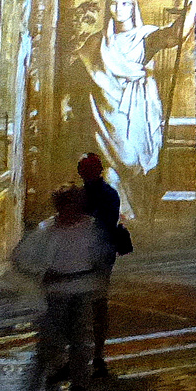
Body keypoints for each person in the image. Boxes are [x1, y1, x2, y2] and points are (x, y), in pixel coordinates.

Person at [66, 0, 188, 219]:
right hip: (103, 110)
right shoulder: (96, 41)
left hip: (136, 107)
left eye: (124, 3)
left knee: (132, 159)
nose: (118, 9)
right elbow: (77, 75)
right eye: (113, 4)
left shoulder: (145, 36)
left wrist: (192, 3)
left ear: (133, 7)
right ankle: (120, 212)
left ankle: (135, 209)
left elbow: (175, 35)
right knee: (111, 164)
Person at [12, 184, 113, 391]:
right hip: (57, 294)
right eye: (68, 205)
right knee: (50, 344)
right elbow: (21, 257)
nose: (73, 210)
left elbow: (101, 256)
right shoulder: (47, 230)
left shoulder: (89, 229)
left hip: (82, 291)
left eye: (76, 205)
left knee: (80, 344)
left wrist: (97, 279)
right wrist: (41, 273)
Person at [78, 153, 124, 379]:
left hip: (90, 257)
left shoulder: (80, 197)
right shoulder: (109, 195)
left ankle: (90, 354)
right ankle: (96, 353)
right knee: (97, 306)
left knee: (86, 307)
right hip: (100, 257)